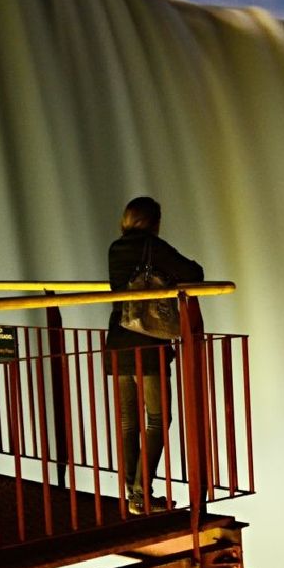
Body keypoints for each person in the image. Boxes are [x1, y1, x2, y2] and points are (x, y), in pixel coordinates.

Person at [104, 196, 203, 514]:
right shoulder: (153, 247)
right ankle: (140, 494)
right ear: (153, 222)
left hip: (118, 341)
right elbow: (194, 272)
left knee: (128, 421)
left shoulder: (115, 249)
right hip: (148, 343)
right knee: (159, 419)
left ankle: (133, 493)